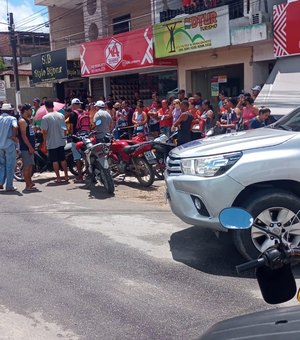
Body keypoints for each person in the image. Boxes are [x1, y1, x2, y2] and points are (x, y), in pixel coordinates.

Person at [41, 100, 69, 184]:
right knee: (63, 159)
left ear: (46, 107)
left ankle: (58, 178)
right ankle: (66, 176)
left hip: (52, 142)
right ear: (53, 106)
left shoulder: (45, 118)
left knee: (55, 161)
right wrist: (64, 138)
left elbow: (44, 132)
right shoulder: (61, 115)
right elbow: (64, 128)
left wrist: (44, 142)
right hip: (61, 140)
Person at [18, 104, 37, 192]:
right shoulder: (22, 121)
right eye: (30, 110)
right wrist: (29, 147)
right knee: (27, 167)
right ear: (25, 111)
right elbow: (23, 136)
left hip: (30, 146)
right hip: (26, 147)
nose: (31, 111)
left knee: (30, 166)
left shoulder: (27, 121)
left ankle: (30, 183)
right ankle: (27, 185)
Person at [0, 103, 18, 191]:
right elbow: (15, 126)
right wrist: (14, 136)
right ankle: (9, 186)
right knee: (10, 166)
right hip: (9, 145)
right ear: (10, 111)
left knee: (2, 165)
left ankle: (0, 182)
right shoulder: (12, 118)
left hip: (0, 145)